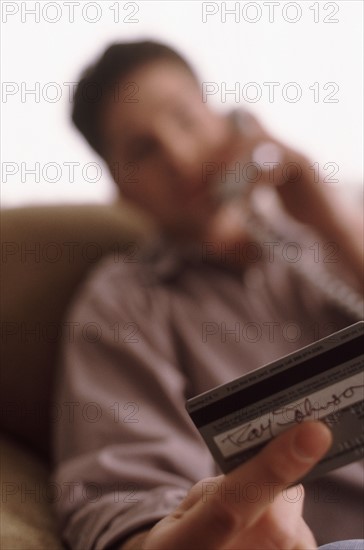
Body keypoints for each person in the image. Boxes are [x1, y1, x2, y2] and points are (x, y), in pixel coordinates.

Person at [52, 41, 363, 549]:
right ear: (121, 188)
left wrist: (334, 222)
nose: (176, 155)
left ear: (228, 121)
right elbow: (120, 499)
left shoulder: (335, 236)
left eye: (184, 119)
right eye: (143, 150)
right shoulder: (122, 304)